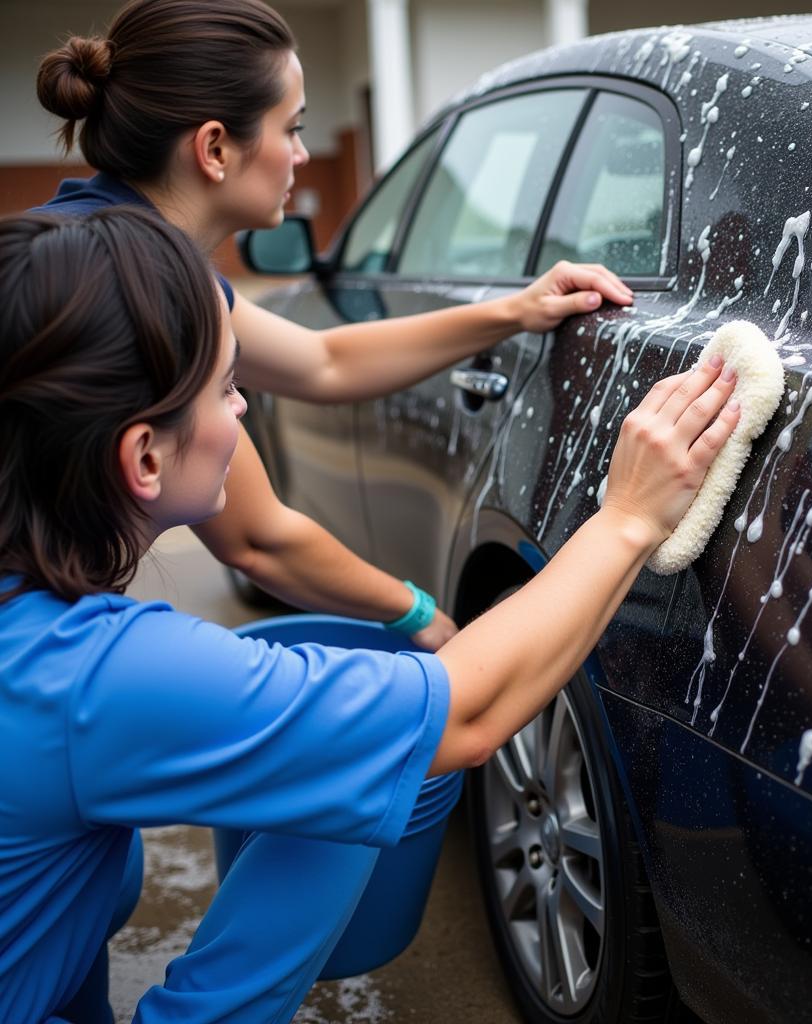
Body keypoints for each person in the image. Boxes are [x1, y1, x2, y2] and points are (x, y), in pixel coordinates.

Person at [0, 207, 740, 1021]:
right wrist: (628, 517)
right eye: (227, 387)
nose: (245, 409)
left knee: (343, 768)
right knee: (364, 766)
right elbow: (464, 716)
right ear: (143, 456)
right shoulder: (85, 676)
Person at [33, 0, 636, 653]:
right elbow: (257, 539)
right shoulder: (145, 281)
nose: (300, 154)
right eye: (290, 129)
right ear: (213, 148)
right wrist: (420, 615)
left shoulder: (90, 241)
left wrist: (516, 310)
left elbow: (323, 363)